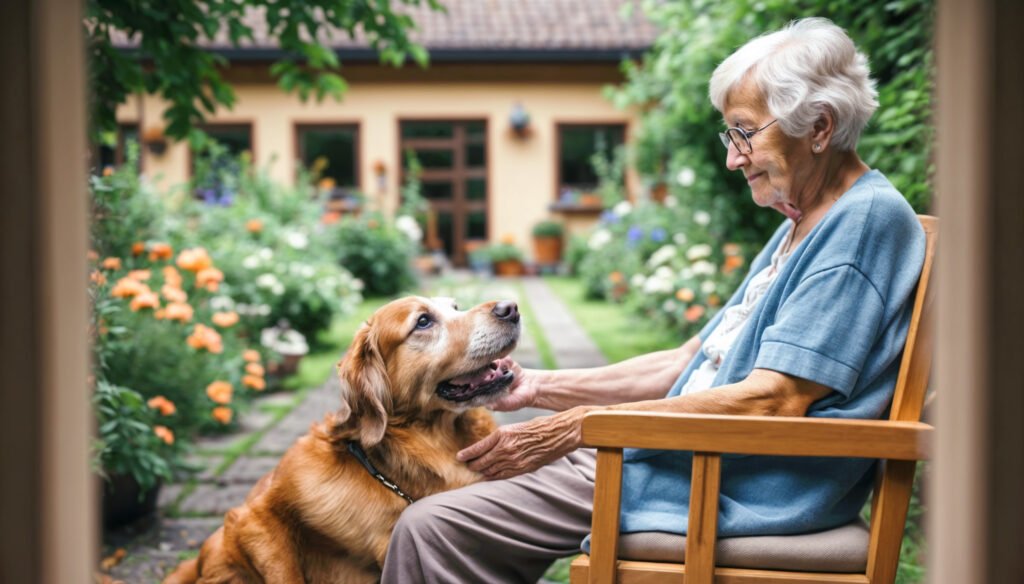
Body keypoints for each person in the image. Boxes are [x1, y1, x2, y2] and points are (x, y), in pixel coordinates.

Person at [381, 17, 925, 583]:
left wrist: (583, 425)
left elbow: (774, 400)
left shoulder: (858, 227)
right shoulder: (806, 217)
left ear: (819, 126)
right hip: (674, 453)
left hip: (720, 479)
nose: (733, 159)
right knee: (459, 491)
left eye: (744, 133)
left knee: (428, 525)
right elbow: (688, 361)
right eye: (730, 137)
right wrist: (541, 388)